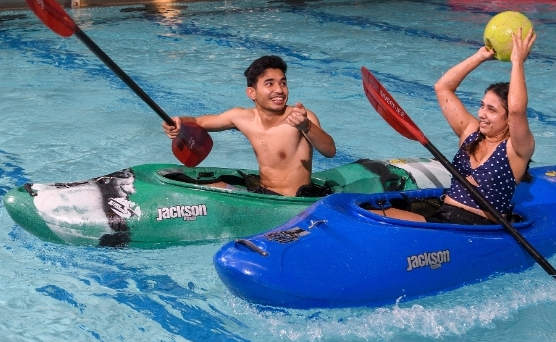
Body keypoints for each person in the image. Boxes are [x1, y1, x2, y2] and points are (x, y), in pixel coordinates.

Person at [370, 27, 536, 225]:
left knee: (376, 220)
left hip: (475, 228)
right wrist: (480, 56)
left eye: (492, 110)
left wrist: (517, 63)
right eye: (482, 106)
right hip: (444, 217)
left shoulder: (516, 150)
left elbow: (517, 109)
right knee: (369, 213)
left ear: (508, 120)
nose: (482, 114)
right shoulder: (471, 133)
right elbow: (443, 88)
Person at [162, 55, 337, 197]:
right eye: (270, 83)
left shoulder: (300, 118)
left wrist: (306, 126)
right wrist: (178, 122)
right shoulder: (242, 117)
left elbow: (330, 151)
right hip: (262, 194)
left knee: (217, 190)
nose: (279, 90)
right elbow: (198, 122)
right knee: (210, 186)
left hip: (292, 201)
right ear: (251, 92)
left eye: (283, 83)